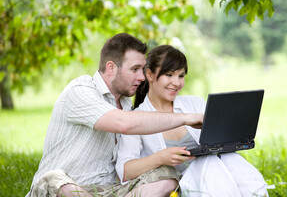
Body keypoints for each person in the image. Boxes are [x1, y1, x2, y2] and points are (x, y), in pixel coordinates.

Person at [26, 34, 203, 197]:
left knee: (167, 175)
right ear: (111, 67)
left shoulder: (126, 105)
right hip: (66, 188)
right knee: (54, 178)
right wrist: (188, 118)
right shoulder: (80, 90)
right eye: (135, 69)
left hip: (108, 191)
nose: (142, 77)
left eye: (143, 69)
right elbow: (123, 123)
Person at [116, 45, 269, 197]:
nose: (176, 83)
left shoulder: (195, 104)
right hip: (179, 186)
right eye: (169, 75)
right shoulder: (137, 118)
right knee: (207, 162)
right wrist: (161, 158)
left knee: (229, 157)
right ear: (149, 75)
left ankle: (258, 194)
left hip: (217, 180)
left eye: (181, 76)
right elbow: (125, 171)